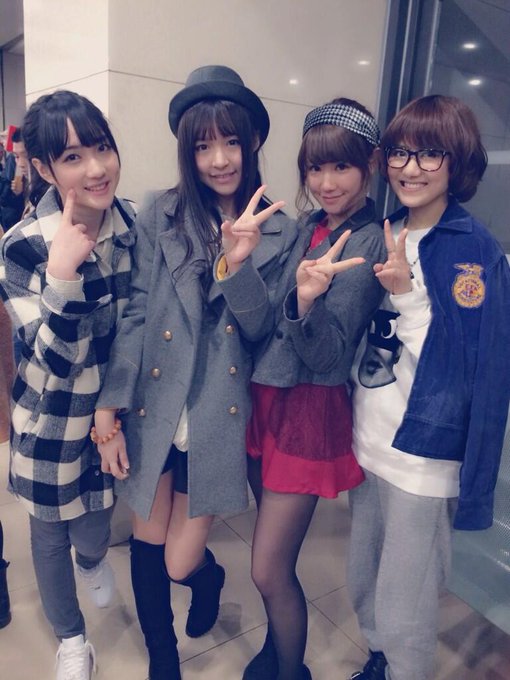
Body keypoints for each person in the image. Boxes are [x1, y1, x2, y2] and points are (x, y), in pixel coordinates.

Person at [94, 65, 296, 680]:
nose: (219, 159)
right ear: (187, 150)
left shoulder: (281, 229)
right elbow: (136, 313)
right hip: (156, 403)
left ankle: (207, 580)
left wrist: (238, 265)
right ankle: (163, 662)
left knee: (181, 560)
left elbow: (262, 334)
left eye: (231, 141)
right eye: (203, 145)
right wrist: (109, 407)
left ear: (254, 141)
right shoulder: (162, 212)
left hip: (215, 411)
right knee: (148, 543)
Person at [347, 95, 510, 680]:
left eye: (429, 154)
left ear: (456, 161)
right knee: (364, 573)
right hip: (370, 436)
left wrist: (407, 295)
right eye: (400, 152)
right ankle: (380, 658)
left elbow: (472, 363)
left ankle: (404, 668)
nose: (410, 168)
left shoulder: (472, 249)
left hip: (424, 453)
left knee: (407, 596)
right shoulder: (383, 229)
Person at [241, 98, 385, 680]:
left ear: (370, 164)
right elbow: (261, 322)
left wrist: (305, 302)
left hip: (307, 410)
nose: (325, 183)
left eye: (341, 166)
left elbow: (329, 357)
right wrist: (237, 262)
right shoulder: (307, 226)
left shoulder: (369, 241)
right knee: (268, 556)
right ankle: (276, 649)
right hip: (266, 399)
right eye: (314, 167)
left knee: (268, 569)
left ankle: (289, 670)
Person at [0, 91, 136, 680]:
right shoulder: (24, 244)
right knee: (50, 534)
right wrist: (61, 275)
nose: (96, 168)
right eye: (73, 157)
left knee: (95, 526)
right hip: (49, 419)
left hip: (111, 419)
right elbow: (54, 362)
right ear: (45, 168)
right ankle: (72, 638)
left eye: (102, 148)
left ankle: (92, 562)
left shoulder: (133, 229)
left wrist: (111, 412)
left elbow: (138, 330)